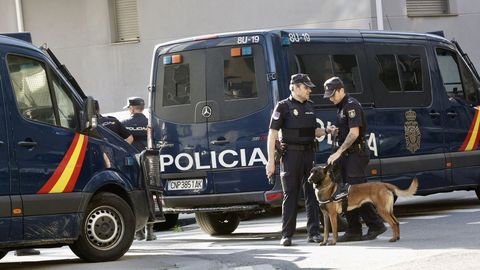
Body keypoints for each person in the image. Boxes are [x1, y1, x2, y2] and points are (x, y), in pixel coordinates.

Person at [266, 73, 333, 246]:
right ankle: (287, 235)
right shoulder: (282, 107)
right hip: (291, 156)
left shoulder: (310, 105)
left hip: (308, 154)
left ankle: (314, 233)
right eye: (306, 87)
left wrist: (326, 131)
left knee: (311, 193)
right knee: (291, 194)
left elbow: (313, 131)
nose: (309, 90)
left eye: (309, 87)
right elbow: (272, 134)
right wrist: (271, 161)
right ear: (294, 87)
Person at [323, 76, 387, 242]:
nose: (330, 98)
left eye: (332, 94)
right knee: (346, 193)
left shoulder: (351, 105)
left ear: (341, 89)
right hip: (348, 156)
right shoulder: (341, 106)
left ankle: (376, 225)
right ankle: (354, 230)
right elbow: (346, 130)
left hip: (355, 154)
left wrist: (338, 152)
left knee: (358, 192)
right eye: (328, 95)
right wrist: (335, 130)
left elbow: (354, 133)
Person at [121, 97, 156, 241]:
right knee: (150, 194)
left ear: (132, 108)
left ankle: (138, 231)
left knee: (134, 194)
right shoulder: (149, 123)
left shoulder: (124, 124)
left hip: (132, 164)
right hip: (149, 163)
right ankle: (150, 231)